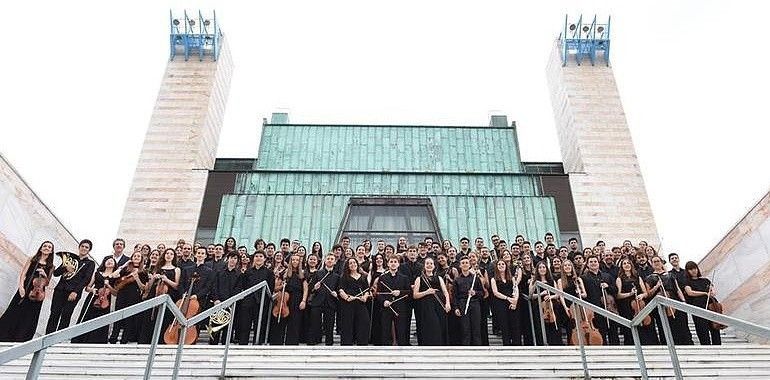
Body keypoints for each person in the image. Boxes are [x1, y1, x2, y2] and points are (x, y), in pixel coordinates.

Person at [0, 241, 54, 342]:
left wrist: (45, 274)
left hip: (38, 293)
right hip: (26, 287)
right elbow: (23, 274)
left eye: (49, 247)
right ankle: (4, 335)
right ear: (41, 248)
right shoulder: (32, 259)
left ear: (51, 251)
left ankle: (21, 338)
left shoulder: (51, 266)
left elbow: (47, 283)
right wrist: (21, 287)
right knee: (15, 310)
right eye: (45, 246)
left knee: (29, 316)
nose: (46, 248)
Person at [46, 239, 96, 334]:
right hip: (60, 290)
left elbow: (86, 279)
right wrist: (65, 267)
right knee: (54, 314)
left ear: (89, 250)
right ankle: (47, 337)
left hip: (73, 292)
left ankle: (59, 339)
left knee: (66, 315)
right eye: (82, 246)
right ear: (79, 247)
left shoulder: (90, 263)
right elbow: (56, 273)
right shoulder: (70, 259)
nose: (84, 248)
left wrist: (75, 292)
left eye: (87, 247)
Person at [646, 255, 693, 345]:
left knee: (681, 323)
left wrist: (683, 301)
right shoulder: (649, 278)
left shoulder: (671, 275)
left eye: (658, 261)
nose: (656, 263)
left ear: (661, 262)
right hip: (660, 304)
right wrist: (656, 286)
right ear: (651, 264)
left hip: (674, 300)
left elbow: (677, 289)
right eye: (654, 262)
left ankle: (686, 343)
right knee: (664, 325)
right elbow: (649, 294)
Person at [73, 257, 117, 343]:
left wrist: (108, 286)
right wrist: (92, 290)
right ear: (104, 263)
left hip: (106, 301)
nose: (109, 262)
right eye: (107, 260)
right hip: (93, 298)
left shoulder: (115, 276)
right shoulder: (97, 273)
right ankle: (81, 339)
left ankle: (98, 340)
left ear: (115, 264)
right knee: (88, 317)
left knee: (102, 320)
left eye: (112, 261)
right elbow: (87, 287)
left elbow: (115, 293)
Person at [615, 258, 657, 345]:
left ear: (631, 265)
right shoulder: (619, 279)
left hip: (640, 303)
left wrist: (642, 295)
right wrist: (630, 294)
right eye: (624, 263)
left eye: (628, 263)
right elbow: (618, 295)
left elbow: (645, 292)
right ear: (622, 267)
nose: (626, 265)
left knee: (647, 325)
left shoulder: (638, 277)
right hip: (627, 306)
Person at [108, 252, 148, 344]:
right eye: (135, 256)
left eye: (138, 256)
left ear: (141, 259)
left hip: (134, 296)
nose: (136, 257)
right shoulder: (126, 269)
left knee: (129, 318)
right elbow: (113, 275)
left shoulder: (143, 272)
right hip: (122, 295)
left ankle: (124, 339)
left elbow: (143, 288)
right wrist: (125, 264)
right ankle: (113, 337)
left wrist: (137, 278)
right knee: (118, 316)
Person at [235, 251, 274, 345]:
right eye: (256, 256)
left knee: (259, 325)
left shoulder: (269, 272)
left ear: (264, 259)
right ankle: (243, 344)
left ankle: (257, 345)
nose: (258, 258)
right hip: (248, 302)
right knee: (245, 324)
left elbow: (270, 288)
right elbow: (243, 286)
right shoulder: (248, 272)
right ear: (253, 259)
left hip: (261, 302)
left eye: (261, 256)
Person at [270, 254, 308, 345]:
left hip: (297, 298)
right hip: (285, 298)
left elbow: (305, 289)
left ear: (299, 262)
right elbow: (275, 288)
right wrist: (282, 285)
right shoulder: (285, 273)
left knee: (295, 321)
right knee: (281, 319)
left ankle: (292, 342)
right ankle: (277, 342)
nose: (295, 261)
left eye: (297, 260)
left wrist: (303, 301)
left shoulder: (303, 274)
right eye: (293, 260)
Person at [581, 255, 619, 345]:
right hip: (595, 310)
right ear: (587, 265)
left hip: (609, 309)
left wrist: (608, 286)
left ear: (598, 263)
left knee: (613, 334)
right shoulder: (584, 278)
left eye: (595, 261)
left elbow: (615, 290)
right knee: (600, 334)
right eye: (591, 262)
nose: (593, 263)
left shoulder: (607, 276)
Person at [413, 257, 450, 346]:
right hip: (426, 306)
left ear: (434, 266)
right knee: (432, 325)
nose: (429, 265)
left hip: (439, 305)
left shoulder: (439, 278)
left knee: (440, 325)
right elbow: (415, 295)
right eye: (427, 264)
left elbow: (446, 292)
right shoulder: (419, 279)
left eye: (431, 264)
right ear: (424, 266)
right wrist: (427, 292)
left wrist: (448, 303)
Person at [684, 261, 721, 345]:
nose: (694, 271)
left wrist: (712, 292)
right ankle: (707, 348)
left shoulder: (705, 280)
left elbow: (713, 290)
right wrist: (704, 293)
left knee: (715, 329)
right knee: (702, 331)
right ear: (687, 271)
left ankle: (718, 347)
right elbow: (690, 292)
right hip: (698, 308)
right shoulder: (687, 282)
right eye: (691, 269)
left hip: (711, 306)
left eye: (695, 268)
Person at [377, 256, 411, 346]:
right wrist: (384, 302)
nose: (393, 263)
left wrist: (400, 292)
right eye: (391, 261)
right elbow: (379, 293)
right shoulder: (382, 278)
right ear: (388, 264)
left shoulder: (404, 278)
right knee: (385, 330)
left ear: (398, 264)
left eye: (395, 261)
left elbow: (409, 292)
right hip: (386, 308)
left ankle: (402, 349)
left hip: (400, 308)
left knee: (401, 330)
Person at [308, 253, 340, 346]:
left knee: (329, 325)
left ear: (334, 262)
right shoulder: (318, 273)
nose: (330, 260)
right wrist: (315, 287)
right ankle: (313, 342)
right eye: (328, 258)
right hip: (317, 301)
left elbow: (338, 289)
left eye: (332, 259)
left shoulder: (337, 276)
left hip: (330, 302)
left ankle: (329, 343)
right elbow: (311, 289)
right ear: (325, 261)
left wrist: (336, 293)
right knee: (314, 323)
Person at [338, 258, 372, 345]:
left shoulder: (363, 277)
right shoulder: (344, 277)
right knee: (347, 324)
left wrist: (365, 297)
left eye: (354, 262)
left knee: (364, 322)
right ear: (348, 266)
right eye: (350, 263)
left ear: (357, 264)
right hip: (348, 304)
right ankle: (347, 344)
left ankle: (362, 343)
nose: (353, 264)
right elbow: (341, 290)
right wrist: (347, 297)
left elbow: (367, 290)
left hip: (360, 303)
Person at [453, 257, 484, 345]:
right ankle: (466, 349)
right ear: (460, 265)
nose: (465, 264)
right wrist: (456, 308)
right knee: (465, 328)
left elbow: (482, 293)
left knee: (476, 328)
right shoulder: (457, 280)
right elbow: (454, 296)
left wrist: (475, 293)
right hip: (462, 304)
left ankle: (478, 349)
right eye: (463, 263)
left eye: (467, 262)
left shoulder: (475, 278)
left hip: (474, 304)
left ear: (469, 265)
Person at [530, 261, 562, 345]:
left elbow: (558, 294)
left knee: (554, 326)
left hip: (552, 306)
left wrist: (551, 297)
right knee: (541, 327)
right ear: (537, 269)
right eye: (540, 267)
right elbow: (531, 295)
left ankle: (555, 344)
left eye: (544, 267)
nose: (542, 269)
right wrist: (541, 294)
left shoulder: (552, 280)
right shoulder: (534, 282)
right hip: (540, 308)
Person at [490, 259, 519, 345]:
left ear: (506, 266)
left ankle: (516, 345)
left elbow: (516, 289)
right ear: (497, 267)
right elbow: (495, 293)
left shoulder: (512, 278)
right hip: (501, 304)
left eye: (503, 264)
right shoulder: (493, 279)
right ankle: (507, 345)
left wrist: (515, 301)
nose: (501, 265)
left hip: (512, 303)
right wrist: (508, 298)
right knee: (504, 326)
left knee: (515, 325)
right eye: (499, 264)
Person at [557, 260, 586, 342]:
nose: (567, 267)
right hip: (567, 306)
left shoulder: (578, 279)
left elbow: (585, 294)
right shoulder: (560, 280)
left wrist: (580, 292)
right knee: (570, 328)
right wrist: (565, 307)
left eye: (569, 265)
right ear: (562, 268)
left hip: (578, 306)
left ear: (572, 267)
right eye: (565, 265)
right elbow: (561, 295)